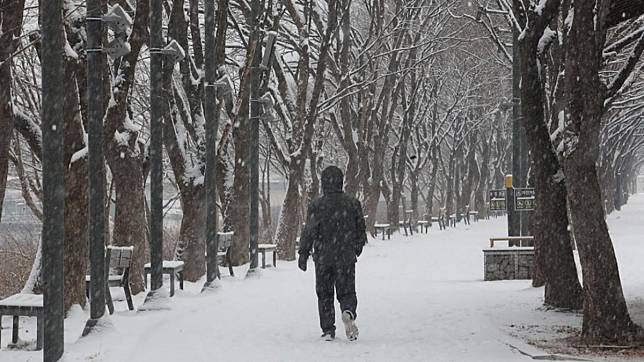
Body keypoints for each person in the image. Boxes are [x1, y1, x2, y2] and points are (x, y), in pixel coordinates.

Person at [298, 166, 367, 341]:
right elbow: (361, 230)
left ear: (323, 183)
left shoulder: (317, 206)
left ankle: (328, 329)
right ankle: (348, 310)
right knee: (347, 291)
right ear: (340, 181)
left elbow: (309, 231)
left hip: (323, 258)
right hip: (345, 257)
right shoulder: (352, 204)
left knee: (324, 293)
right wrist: (356, 248)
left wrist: (303, 253)